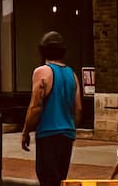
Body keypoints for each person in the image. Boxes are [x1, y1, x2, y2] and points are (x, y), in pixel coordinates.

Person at [20, 30, 81, 186]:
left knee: (47, 179)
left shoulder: (42, 72)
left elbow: (35, 107)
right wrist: (71, 127)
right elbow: (78, 108)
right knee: (60, 179)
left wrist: (26, 132)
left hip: (48, 134)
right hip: (67, 134)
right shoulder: (72, 74)